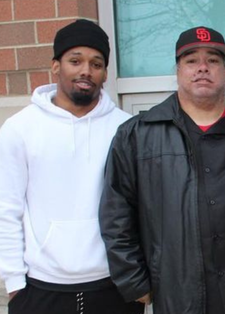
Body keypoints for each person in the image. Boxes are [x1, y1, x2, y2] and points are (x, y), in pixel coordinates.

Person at [99, 26, 225, 314]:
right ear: (177, 70)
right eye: (191, 60)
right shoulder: (138, 134)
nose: (202, 68)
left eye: (213, 60)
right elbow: (116, 214)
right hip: (177, 291)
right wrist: (134, 281)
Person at [0, 20, 141, 314]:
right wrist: (14, 283)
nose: (85, 71)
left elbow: (141, 207)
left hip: (113, 288)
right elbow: (6, 209)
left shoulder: (125, 129)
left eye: (96, 63)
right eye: (75, 61)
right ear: (56, 66)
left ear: (105, 74)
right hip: (40, 290)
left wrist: (137, 280)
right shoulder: (20, 128)